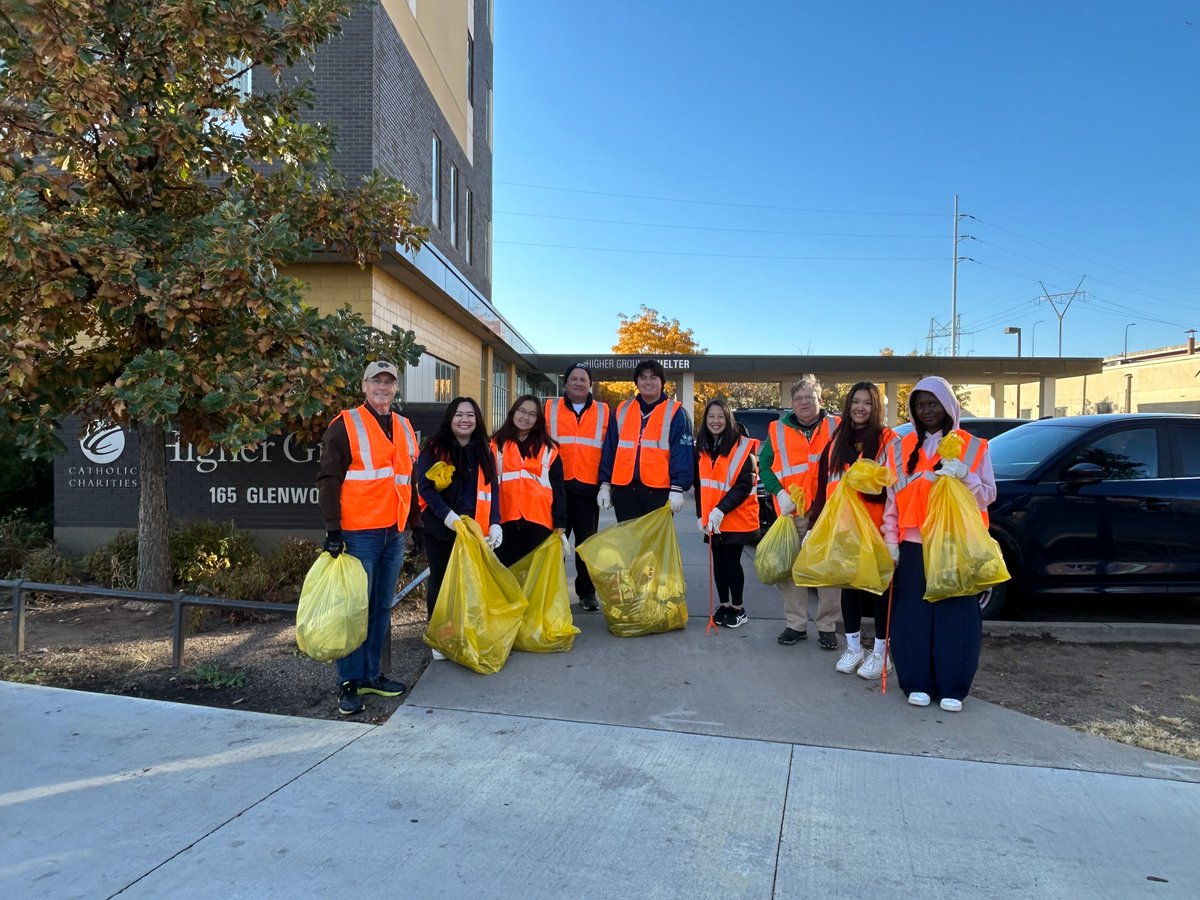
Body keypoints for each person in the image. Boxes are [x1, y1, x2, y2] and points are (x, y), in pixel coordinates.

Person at [883, 376, 997, 712]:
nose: (926, 410)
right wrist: (890, 540)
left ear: (947, 406)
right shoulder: (899, 448)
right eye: (920, 405)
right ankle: (916, 682)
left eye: (932, 403)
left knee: (956, 616)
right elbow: (892, 500)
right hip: (913, 544)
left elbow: (988, 496)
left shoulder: (973, 447)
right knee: (912, 617)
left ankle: (953, 686)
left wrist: (966, 474)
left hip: (954, 545)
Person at [316, 360, 418, 716]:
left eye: (389, 382)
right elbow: (328, 479)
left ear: (396, 388)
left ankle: (371, 675)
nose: (383, 387)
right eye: (376, 381)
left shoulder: (404, 426)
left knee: (381, 607)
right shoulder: (345, 424)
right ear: (364, 385)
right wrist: (333, 530)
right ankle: (349, 682)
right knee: (354, 609)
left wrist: (415, 525)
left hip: (393, 532)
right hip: (359, 533)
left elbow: (408, 479)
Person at [808, 382, 899, 678]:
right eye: (856, 401)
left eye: (867, 402)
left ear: (877, 407)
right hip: (844, 530)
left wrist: (868, 486)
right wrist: (814, 526)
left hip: (877, 529)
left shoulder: (888, 440)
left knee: (878, 590)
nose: (860, 408)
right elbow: (822, 486)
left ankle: (881, 653)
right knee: (849, 589)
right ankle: (854, 648)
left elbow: (895, 488)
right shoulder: (837, 439)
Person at [757, 375, 843, 650]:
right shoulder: (777, 430)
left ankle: (827, 626)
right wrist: (779, 493)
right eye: (799, 398)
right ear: (792, 403)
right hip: (792, 511)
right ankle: (796, 623)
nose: (804, 402)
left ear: (820, 399)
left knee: (827, 570)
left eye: (810, 397)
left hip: (827, 510)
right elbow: (764, 466)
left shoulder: (837, 426)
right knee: (792, 570)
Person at [415, 396, 502, 659]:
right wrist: (448, 517)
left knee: (470, 584)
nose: (465, 420)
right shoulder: (434, 448)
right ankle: (441, 638)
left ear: (477, 420)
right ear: (450, 418)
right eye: (459, 415)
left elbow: (493, 488)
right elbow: (426, 488)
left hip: (475, 530)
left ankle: (466, 633)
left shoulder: (485, 449)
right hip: (441, 529)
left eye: (470, 415)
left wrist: (495, 523)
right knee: (442, 582)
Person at [545, 364, 616, 610]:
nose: (578, 383)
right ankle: (551, 592)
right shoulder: (550, 408)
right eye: (573, 379)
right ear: (565, 383)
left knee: (586, 545)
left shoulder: (604, 411)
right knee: (555, 542)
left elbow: (609, 449)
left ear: (590, 384)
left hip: (588, 489)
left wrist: (606, 484)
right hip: (556, 488)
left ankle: (587, 593)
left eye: (583, 379)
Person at [597, 359, 694, 522]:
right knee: (628, 538)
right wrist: (605, 484)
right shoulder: (623, 409)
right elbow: (610, 448)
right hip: (624, 491)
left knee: (655, 539)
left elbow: (682, 453)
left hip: (659, 492)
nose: (648, 382)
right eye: (643, 377)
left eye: (653, 377)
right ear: (637, 382)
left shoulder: (676, 412)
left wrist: (678, 487)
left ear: (662, 382)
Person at [694, 399, 760, 627]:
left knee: (731, 563)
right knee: (719, 564)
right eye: (711, 416)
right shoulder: (703, 446)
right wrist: (701, 514)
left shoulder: (742, 447)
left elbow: (744, 485)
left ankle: (738, 608)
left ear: (728, 419)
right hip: (713, 519)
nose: (715, 421)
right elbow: (699, 484)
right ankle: (723, 605)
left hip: (736, 518)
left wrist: (720, 510)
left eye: (720, 416)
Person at [492, 394, 568, 567]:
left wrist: (560, 523)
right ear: (513, 412)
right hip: (505, 520)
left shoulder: (549, 449)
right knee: (507, 574)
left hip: (539, 522)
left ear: (538, 420)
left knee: (534, 576)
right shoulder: (495, 445)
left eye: (532, 414)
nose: (525, 417)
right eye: (522, 411)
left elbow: (558, 489)